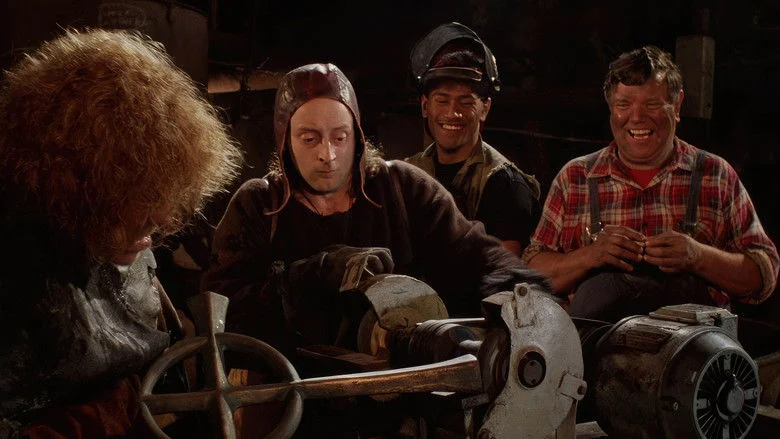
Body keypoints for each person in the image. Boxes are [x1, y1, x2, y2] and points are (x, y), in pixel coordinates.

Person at [0, 29, 242, 437]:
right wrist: (82, 423)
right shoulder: (16, 276)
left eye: (155, 197)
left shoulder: (127, 244)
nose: (156, 227)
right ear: (77, 188)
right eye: (134, 202)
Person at [522, 45, 779, 322]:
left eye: (652, 104)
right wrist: (590, 256)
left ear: (677, 105)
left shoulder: (715, 175)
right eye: (624, 105)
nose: (636, 117)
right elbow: (531, 276)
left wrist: (698, 256)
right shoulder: (575, 178)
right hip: (595, 348)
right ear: (611, 109)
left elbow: (762, 276)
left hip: (693, 349)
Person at [405, 22, 541, 255]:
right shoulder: (408, 174)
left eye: (466, 102)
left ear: (484, 108)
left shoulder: (505, 184)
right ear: (425, 106)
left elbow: (502, 268)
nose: (452, 113)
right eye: (442, 100)